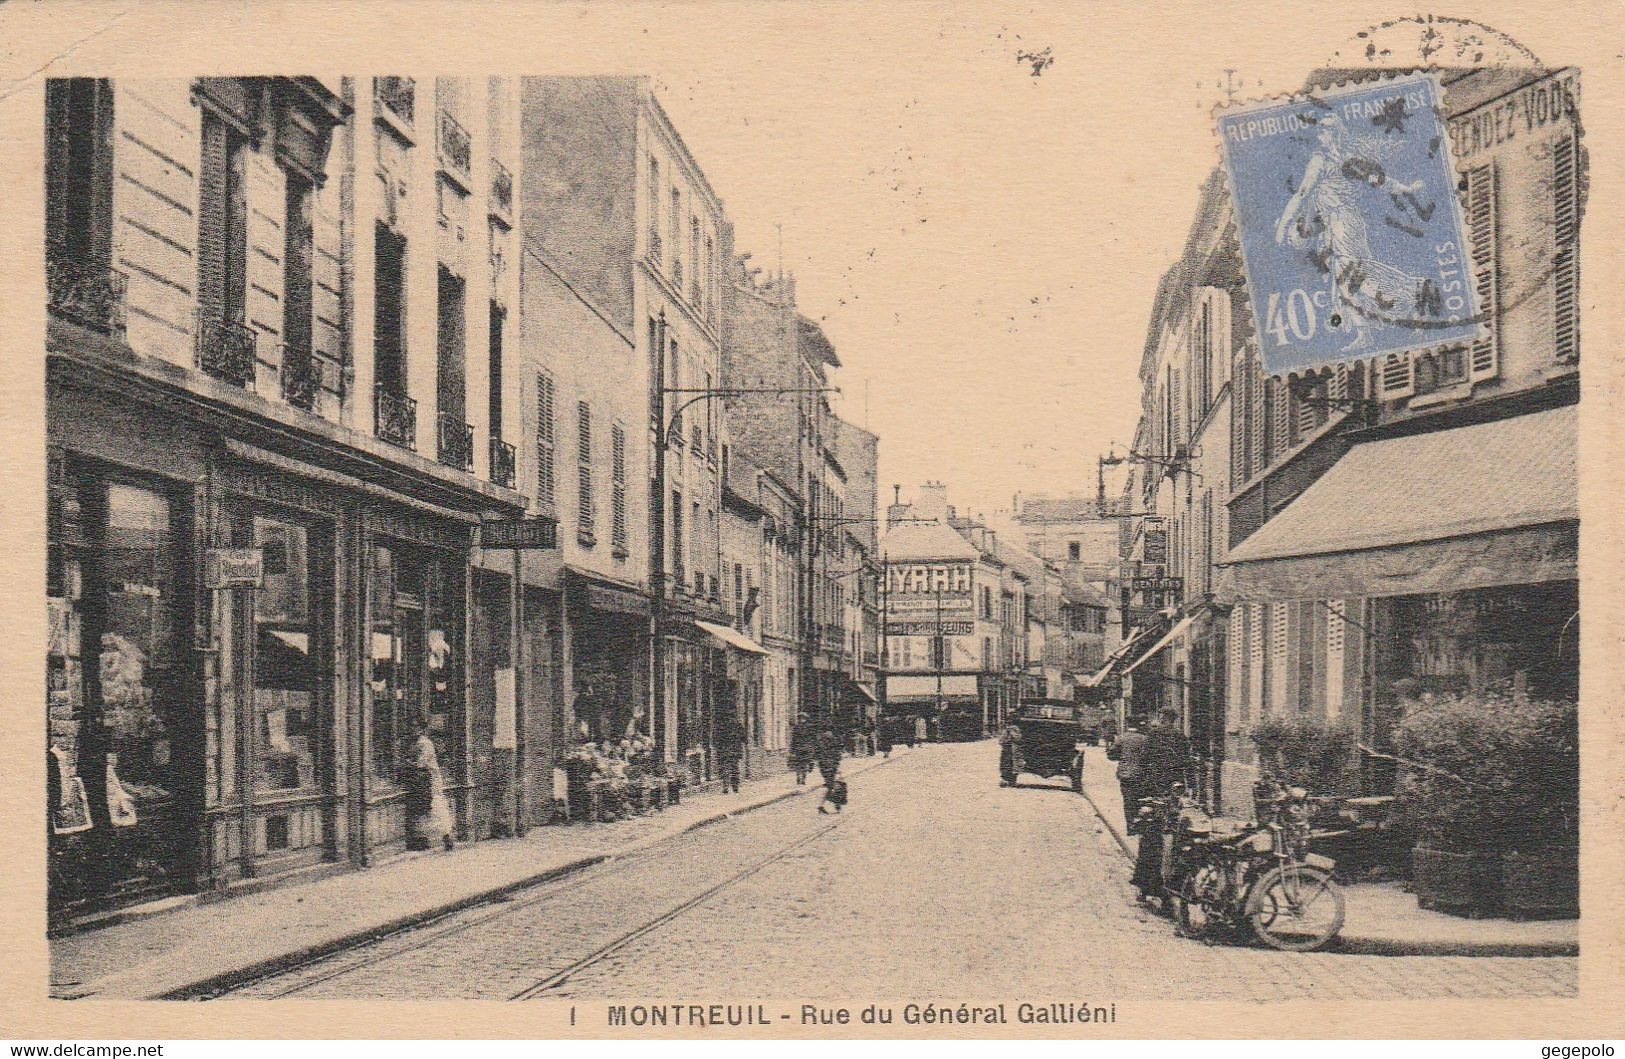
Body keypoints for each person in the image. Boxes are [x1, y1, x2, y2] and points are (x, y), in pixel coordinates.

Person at [406, 721, 454, 852]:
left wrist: (408, 762)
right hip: (421, 782)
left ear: (422, 729)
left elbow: (420, 763)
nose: (413, 730)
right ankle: (425, 838)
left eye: (416, 727)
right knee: (426, 810)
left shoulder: (424, 743)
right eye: (411, 727)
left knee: (436, 808)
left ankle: (446, 836)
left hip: (430, 781)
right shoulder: (416, 743)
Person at [814, 725, 844, 813]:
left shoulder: (820, 742)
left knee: (830, 785)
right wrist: (836, 766)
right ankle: (833, 804)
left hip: (824, 767)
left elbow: (817, 755)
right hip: (830, 767)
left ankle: (831, 804)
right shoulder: (833, 742)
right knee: (832, 785)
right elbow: (837, 756)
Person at [715, 710, 745, 794]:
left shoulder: (722, 726)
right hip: (734, 751)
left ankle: (725, 787)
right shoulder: (738, 725)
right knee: (734, 769)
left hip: (724, 751)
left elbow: (717, 738)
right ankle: (735, 787)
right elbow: (743, 738)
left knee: (725, 768)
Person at [789, 713, 814, 785]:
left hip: (806, 748)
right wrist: (792, 749)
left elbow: (812, 739)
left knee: (805, 763)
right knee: (799, 764)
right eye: (800, 718)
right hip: (799, 748)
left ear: (805, 719)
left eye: (803, 718)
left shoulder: (809, 728)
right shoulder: (796, 728)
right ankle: (798, 777)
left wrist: (811, 747)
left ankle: (803, 778)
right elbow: (794, 739)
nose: (801, 720)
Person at [999, 721, 1024, 786]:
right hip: (1009, 750)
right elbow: (1001, 741)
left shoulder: (1013, 730)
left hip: (1012, 750)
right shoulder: (1008, 730)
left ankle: (1009, 780)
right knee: (1008, 764)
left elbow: (1001, 741)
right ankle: (1008, 780)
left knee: (1011, 765)